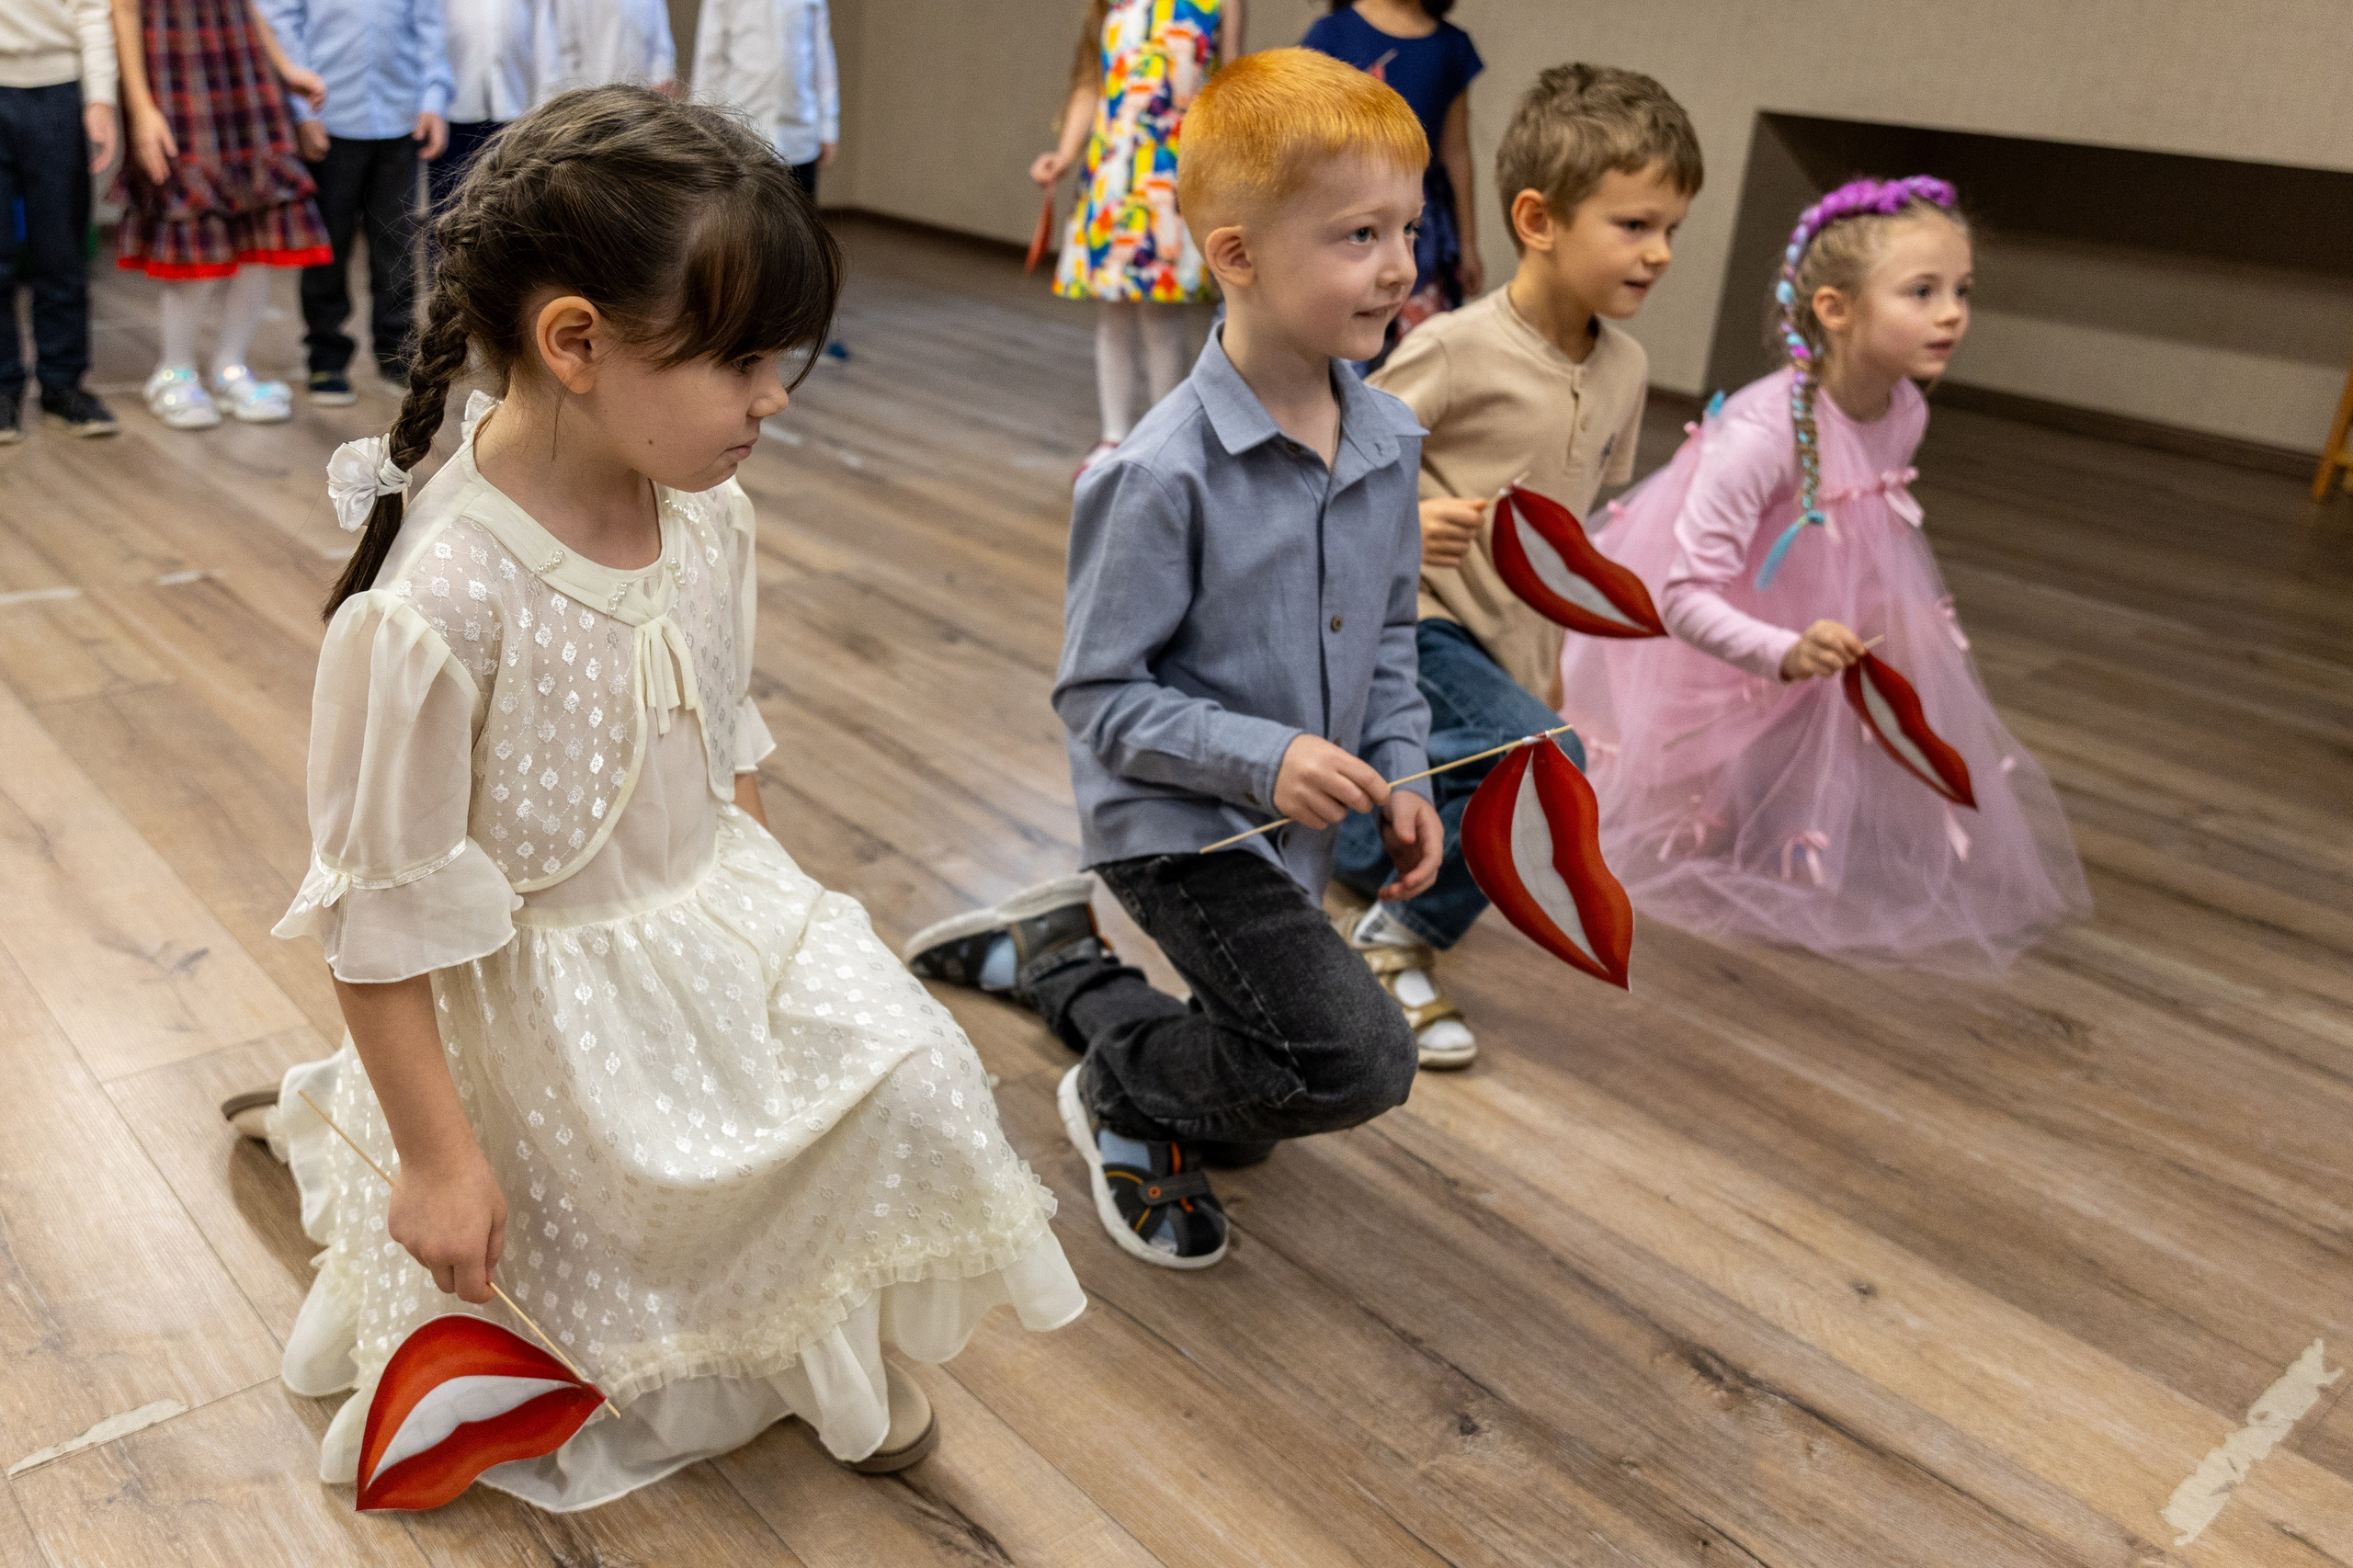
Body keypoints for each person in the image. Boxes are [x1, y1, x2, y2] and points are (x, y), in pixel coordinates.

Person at [223, 87, 1083, 1508]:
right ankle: (362, 1125)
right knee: (626, 1194)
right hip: (544, 1007)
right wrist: (441, 1162)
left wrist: (777, 940)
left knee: (914, 1070)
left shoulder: (708, 509)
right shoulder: (439, 604)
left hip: (708, 918)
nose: (774, 397)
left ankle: (820, 1348)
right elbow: (376, 924)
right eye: (741, 361)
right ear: (575, 343)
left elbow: (716, 736)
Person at [906, 50, 1439, 1270]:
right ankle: (1120, 1086)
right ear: (1236, 254)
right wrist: (1269, 756)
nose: (1400, 266)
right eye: (1360, 234)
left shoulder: (1390, 436)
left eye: (1408, 228)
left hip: (1292, 826)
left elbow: (1394, 631)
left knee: (1256, 1107)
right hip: (1176, 829)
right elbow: (1099, 696)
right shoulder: (1156, 472)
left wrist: (1404, 765)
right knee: (1354, 1060)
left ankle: (1061, 964)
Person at [1556, 176, 2092, 976]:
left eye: (1962, 291)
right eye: (1922, 291)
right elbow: (1681, 597)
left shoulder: (1904, 409)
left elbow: (1860, 529)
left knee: (1901, 661)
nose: (1953, 313)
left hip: (1792, 594)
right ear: (1836, 309)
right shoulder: (1763, 436)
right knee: (1665, 816)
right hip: (1696, 612)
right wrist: (1781, 648)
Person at [1328, 63, 1700, 1068]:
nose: (1660, 252)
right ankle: (1395, 939)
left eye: (1672, 227)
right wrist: (1413, 516)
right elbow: (1336, 470)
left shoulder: (1625, 369)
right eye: (1634, 224)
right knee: (1545, 761)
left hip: (1507, 637)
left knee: (1481, 767)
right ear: (1538, 220)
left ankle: (1357, 851)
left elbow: (1572, 531)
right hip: (1415, 620)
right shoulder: (1453, 349)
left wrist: (1549, 659)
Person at [1034, 0, 1242, 476]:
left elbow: (1231, 80)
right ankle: (1114, 435)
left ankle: (1167, 438)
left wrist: (1229, 164)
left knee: (1160, 313)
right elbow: (1092, 82)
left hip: (1175, 170)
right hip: (1113, 174)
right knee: (1113, 310)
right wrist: (1065, 154)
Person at [109, 0, 334, 428]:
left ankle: (231, 367)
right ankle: (174, 371)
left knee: (257, 225)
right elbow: (125, 11)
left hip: (243, 64)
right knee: (195, 225)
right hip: (174, 67)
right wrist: (140, 109)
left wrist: (284, 67)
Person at [258, 0, 450, 404]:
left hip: (400, 118)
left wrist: (434, 101)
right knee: (328, 246)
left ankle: (397, 352)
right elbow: (280, 25)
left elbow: (430, 30)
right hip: (329, 119)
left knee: (396, 243)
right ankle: (326, 356)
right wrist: (300, 114)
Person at [1300, 0, 1481, 358]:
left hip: (1423, 230)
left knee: (1420, 351)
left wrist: (1468, 244)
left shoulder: (1451, 46)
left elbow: (1456, 153)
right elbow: (1304, 141)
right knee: (1348, 339)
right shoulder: (1331, 34)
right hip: (1347, 214)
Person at [0, 0, 121, 438]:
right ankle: (2, 388)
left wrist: (101, 97)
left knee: (61, 251)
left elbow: (92, 12)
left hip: (57, 91)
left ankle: (64, 385)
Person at [691, 0, 835, 200]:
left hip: (800, 136)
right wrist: (701, 132)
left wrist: (829, 128)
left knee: (802, 215)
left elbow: (822, 61)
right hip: (742, 133)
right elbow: (709, 61)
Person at [429, 0, 549, 214]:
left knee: (515, 209)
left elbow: (544, 32)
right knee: (450, 206)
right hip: (453, 110)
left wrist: (544, 106)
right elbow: (427, 32)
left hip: (516, 107)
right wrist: (431, 102)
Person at [546, 0, 671, 97]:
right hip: (588, 93)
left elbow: (660, 44)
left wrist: (661, 79)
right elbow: (562, 49)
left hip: (641, 95)